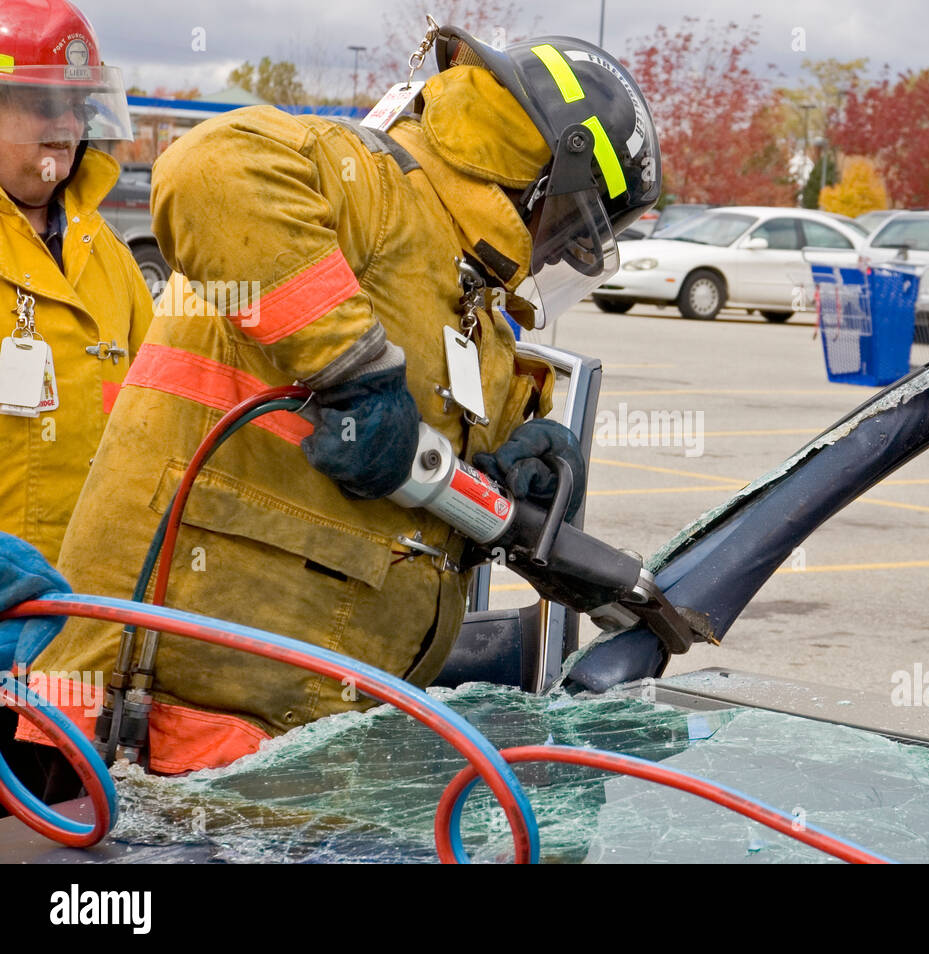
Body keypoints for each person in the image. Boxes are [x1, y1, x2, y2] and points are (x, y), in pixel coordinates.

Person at [17, 23, 660, 776]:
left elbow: (429, 462)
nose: (552, 251)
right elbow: (208, 170)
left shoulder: (470, 291)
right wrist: (352, 370)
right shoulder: (375, 186)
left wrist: (527, 467)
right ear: (545, 176)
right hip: (148, 728)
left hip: (304, 743)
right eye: (571, 225)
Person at [0, 0, 152, 563]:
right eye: (45, 103)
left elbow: (160, 411)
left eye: (78, 105)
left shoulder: (110, 257)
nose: (67, 126)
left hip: (96, 600)